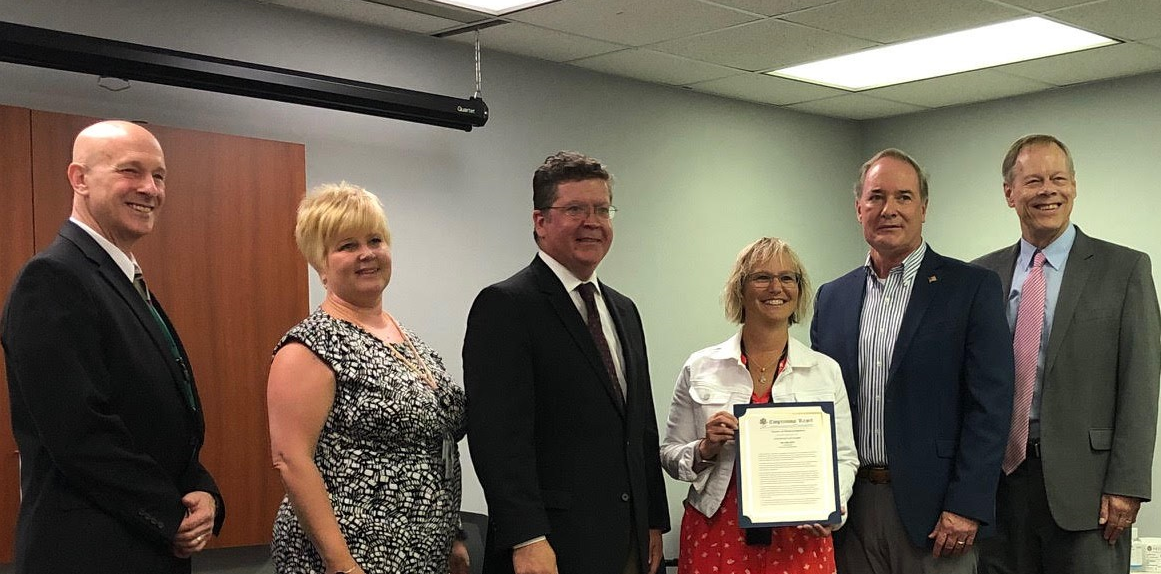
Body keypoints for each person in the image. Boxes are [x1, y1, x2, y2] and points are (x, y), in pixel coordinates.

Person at [1, 120, 224, 573]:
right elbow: (80, 434)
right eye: (130, 171)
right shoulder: (53, 279)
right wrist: (170, 513)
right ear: (79, 179)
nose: (150, 189)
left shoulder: (123, 280)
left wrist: (204, 490)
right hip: (89, 552)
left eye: (159, 176)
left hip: (144, 544)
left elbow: (158, 418)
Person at [463, 151, 669, 574]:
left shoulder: (624, 310)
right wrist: (527, 538)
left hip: (627, 539)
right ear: (541, 222)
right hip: (551, 547)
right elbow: (498, 440)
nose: (592, 221)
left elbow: (640, 427)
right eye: (575, 209)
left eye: (602, 209)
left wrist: (653, 522)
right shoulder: (506, 306)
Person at [810, 148, 1014, 574]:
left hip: (937, 513)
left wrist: (967, 505)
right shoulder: (833, 298)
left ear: (924, 208)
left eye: (904, 197)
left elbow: (991, 406)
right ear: (858, 208)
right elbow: (819, 405)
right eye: (877, 197)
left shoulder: (971, 288)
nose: (889, 209)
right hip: (850, 508)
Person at [973, 134, 1160, 574]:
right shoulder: (981, 275)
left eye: (1059, 178)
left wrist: (1127, 485)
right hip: (999, 486)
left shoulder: (1125, 269)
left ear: (1074, 186)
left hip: (1089, 492)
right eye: (1033, 180)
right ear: (1009, 193)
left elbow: (1141, 381)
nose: (1047, 190)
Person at [267, 182, 469, 574]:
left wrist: (454, 534)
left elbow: (433, 446)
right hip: (351, 555)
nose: (367, 254)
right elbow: (291, 460)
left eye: (375, 240)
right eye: (347, 246)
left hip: (423, 551)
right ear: (320, 263)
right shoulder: (310, 346)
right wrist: (341, 564)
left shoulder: (409, 341)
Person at [660, 237, 858, 574]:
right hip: (717, 532)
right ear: (741, 288)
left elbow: (845, 458)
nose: (776, 287)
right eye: (762, 277)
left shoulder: (825, 371)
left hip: (800, 537)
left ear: (799, 289)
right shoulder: (701, 366)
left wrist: (832, 508)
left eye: (787, 278)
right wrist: (705, 447)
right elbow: (670, 453)